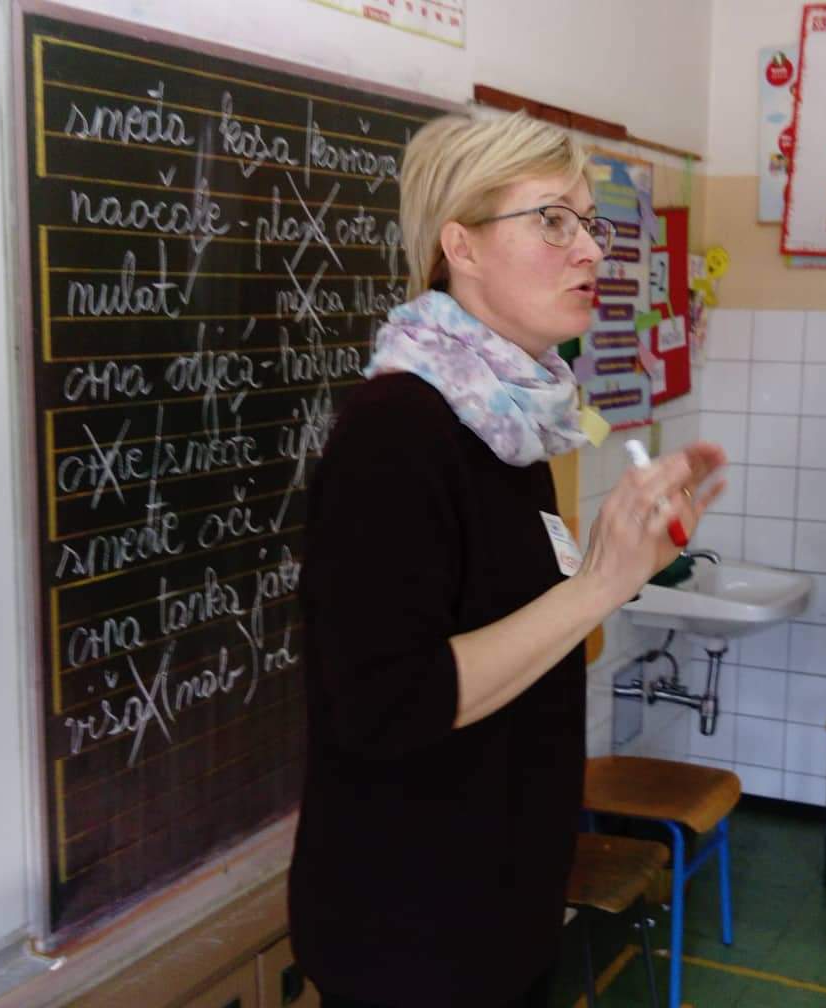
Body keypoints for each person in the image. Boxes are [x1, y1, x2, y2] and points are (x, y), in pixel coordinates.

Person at [288, 112, 726, 1008]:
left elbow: (513, 625)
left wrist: (623, 563)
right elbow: (388, 705)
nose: (591, 251)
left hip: (500, 900)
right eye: (553, 221)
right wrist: (601, 584)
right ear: (462, 246)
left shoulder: (509, 422)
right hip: (409, 934)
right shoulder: (397, 430)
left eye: (589, 223)